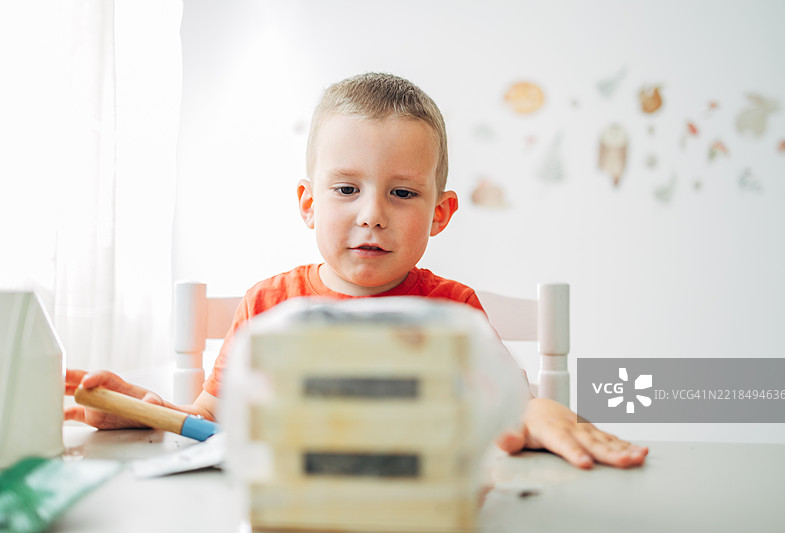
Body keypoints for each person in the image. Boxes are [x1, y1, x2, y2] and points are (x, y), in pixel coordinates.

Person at [66, 72, 648, 470]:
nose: (372, 214)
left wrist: (537, 407)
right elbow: (210, 424)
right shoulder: (269, 306)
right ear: (308, 203)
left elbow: (509, 408)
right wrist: (138, 410)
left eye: (401, 192)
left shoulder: (454, 310)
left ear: (439, 214)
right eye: (346, 189)